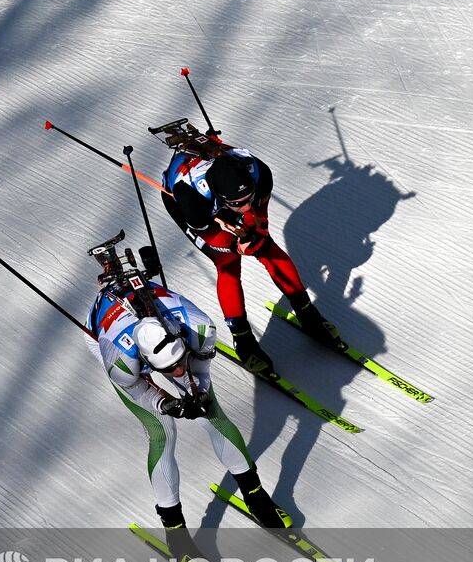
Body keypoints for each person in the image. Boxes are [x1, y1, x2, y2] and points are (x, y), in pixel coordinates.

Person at [85, 234, 287, 529]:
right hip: (104, 332)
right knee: (161, 432)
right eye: (171, 369)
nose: (178, 371)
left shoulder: (198, 327)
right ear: (147, 362)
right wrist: (166, 403)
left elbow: (199, 372)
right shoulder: (123, 363)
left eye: (181, 362)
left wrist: (199, 395)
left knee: (211, 412)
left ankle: (256, 496)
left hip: (160, 324)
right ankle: (174, 530)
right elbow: (139, 390)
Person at [157, 121, 342, 375]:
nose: (246, 206)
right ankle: (243, 339)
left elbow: (258, 214)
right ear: (222, 199)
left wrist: (258, 230)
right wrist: (234, 244)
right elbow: (213, 236)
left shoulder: (259, 172)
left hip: (225, 191)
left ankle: (307, 312)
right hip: (183, 203)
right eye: (237, 203)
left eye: (248, 199)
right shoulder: (191, 198)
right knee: (228, 263)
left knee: (265, 246)